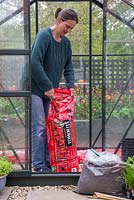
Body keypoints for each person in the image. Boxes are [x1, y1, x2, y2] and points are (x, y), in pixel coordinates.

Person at [31, 7, 78, 172]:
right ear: (59, 20)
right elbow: (34, 62)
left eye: (71, 28)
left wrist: (71, 86)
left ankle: (47, 163)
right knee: (39, 127)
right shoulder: (44, 36)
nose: (69, 30)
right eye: (67, 26)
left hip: (51, 92)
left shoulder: (66, 44)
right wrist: (47, 86)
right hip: (36, 89)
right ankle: (38, 166)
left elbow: (69, 67)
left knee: (50, 126)